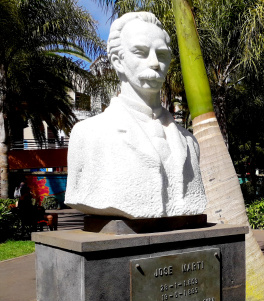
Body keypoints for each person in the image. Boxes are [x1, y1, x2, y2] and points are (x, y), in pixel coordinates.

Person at [65, 12, 207, 219]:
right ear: (118, 61)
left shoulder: (190, 142)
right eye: (141, 52)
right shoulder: (87, 135)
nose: (155, 63)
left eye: (162, 54)